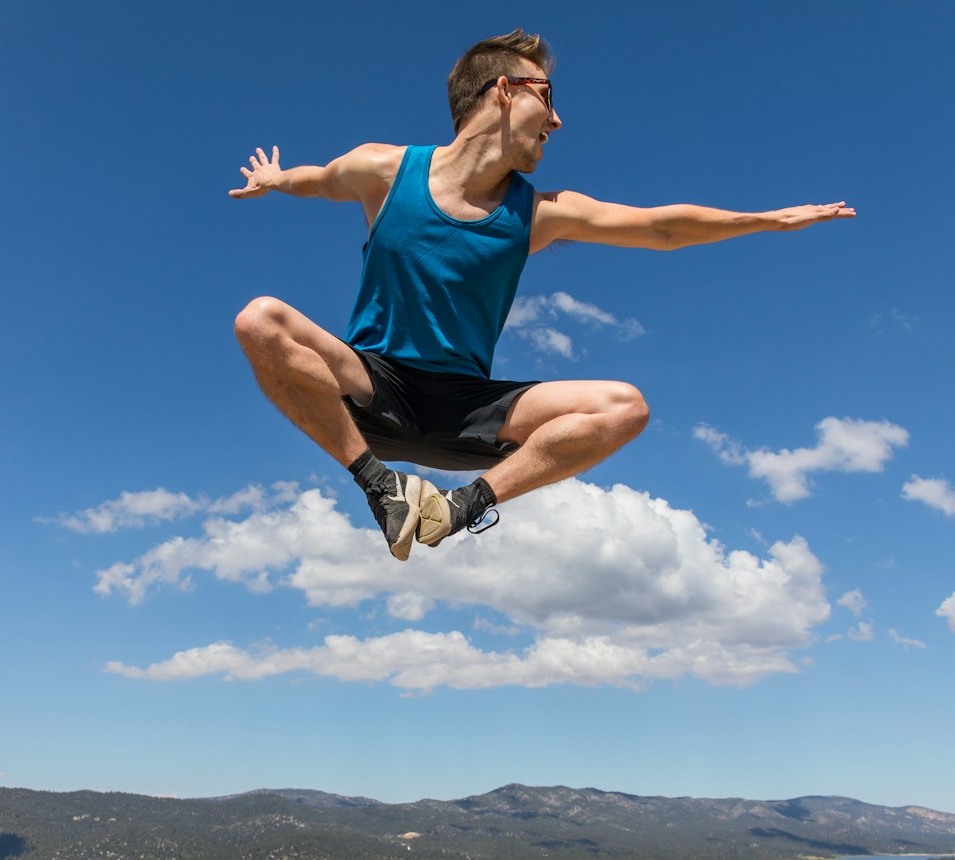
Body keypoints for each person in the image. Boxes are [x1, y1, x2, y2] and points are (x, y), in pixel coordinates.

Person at [230, 29, 853, 560]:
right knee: (260, 320)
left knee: (624, 407)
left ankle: (457, 508)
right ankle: (380, 487)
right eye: (547, 97)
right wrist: (275, 179)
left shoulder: (539, 213)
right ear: (503, 90)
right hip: (371, 391)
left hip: (467, 412)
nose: (557, 121)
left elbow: (660, 228)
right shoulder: (385, 170)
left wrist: (767, 220)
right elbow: (318, 179)